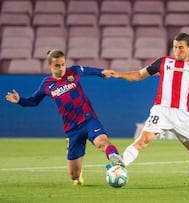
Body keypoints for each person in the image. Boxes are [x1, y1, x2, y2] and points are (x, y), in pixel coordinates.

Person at [110, 33, 189, 186]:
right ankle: (121, 164)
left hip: (183, 117)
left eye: (181, 47)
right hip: (161, 111)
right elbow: (138, 75)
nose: (177, 51)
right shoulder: (163, 62)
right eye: (175, 47)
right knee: (143, 140)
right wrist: (118, 74)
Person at [5, 50, 123, 186]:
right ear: (49, 65)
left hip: (89, 119)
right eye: (57, 66)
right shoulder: (46, 84)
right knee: (74, 176)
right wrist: (20, 100)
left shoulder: (74, 71)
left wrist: (102, 72)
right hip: (72, 129)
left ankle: (115, 158)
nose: (61, 68)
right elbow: (33, 101)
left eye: (62, 64)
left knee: (102, 142)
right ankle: (79, 174)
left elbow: (90, 70)